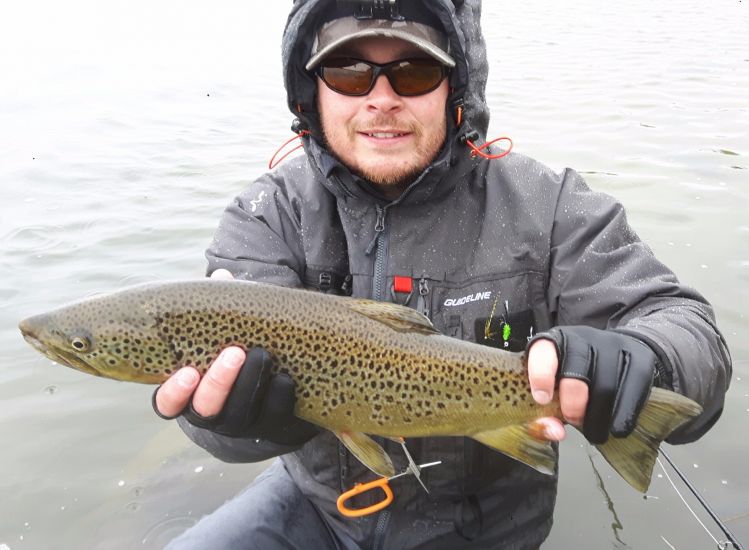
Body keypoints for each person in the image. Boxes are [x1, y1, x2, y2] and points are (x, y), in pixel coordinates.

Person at [153, 1, 732, 548]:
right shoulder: (267, 217)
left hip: (487, 528)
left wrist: (647, 359)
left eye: (414, 71)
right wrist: (235, 424)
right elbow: (214, 425)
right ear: (312, 93)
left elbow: (688, 331)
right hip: (318, 510)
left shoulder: (548, 207)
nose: (381, 99)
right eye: (350, 73)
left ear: (456, 86)